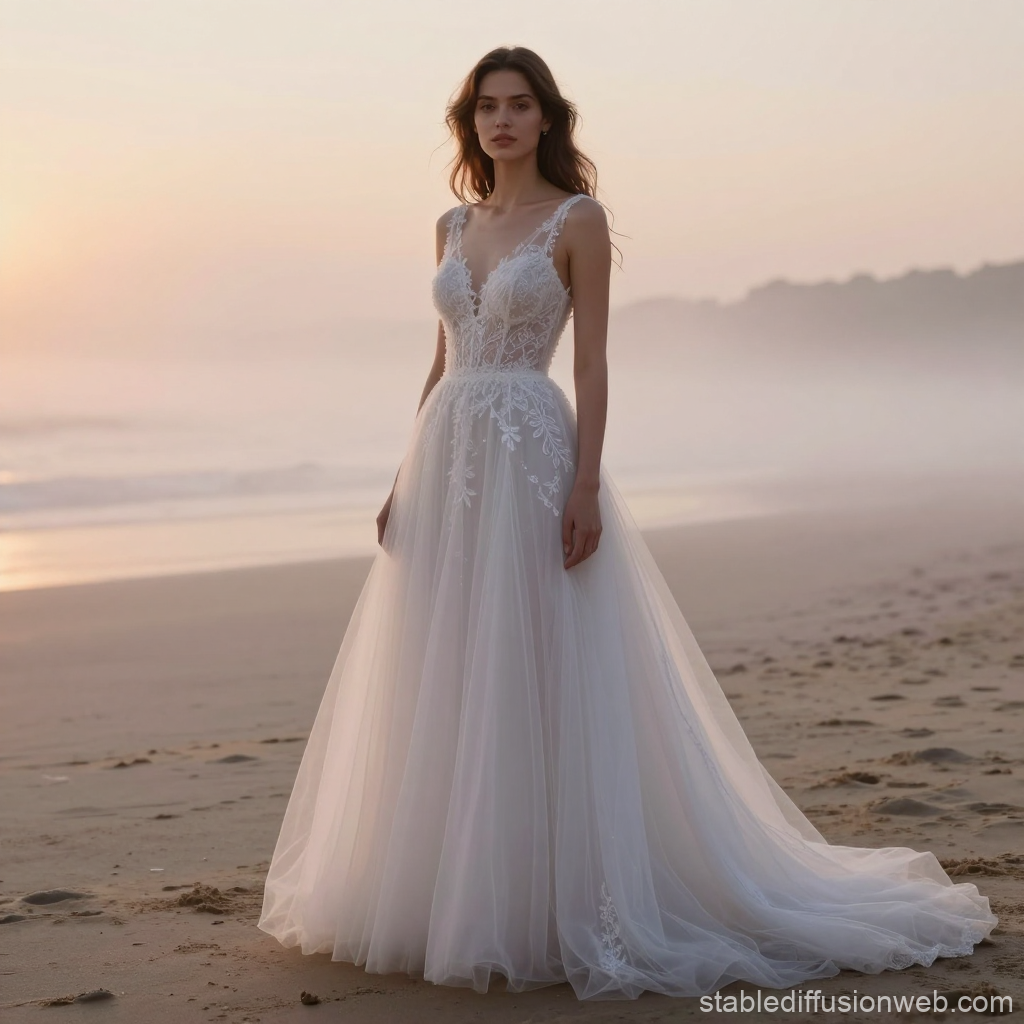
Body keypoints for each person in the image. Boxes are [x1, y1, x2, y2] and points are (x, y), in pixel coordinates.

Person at [257, 46, 996, 1001]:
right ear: (469, 122)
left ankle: (554, 895)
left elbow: (595, 365)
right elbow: (442, 359)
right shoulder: (451, 222)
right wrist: (403, 475)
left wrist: (585, 486)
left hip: (531, 450)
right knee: (446, 666)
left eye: (520, 106)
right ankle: (455, 885)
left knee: (536, 662)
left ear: (549, 120)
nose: (502, 122)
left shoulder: (579, 220)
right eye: (487, 107)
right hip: (448, 458)